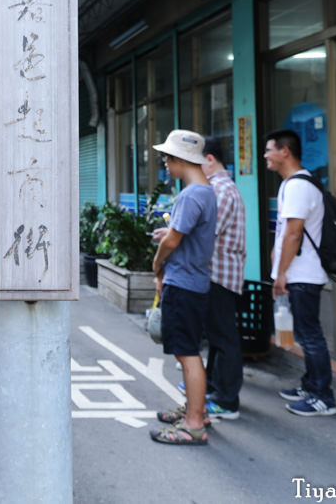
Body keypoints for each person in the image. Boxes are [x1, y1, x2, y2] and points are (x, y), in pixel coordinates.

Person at [149, 129, 217, 445]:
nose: (165, 163)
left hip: (183, 283)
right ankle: (196, 411)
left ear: (179, 159)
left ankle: (193, 424)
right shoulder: (206, 191)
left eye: (167, 158)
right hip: (195, 281)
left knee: (187, 354)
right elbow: (181, 234)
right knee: (187, 351)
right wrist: (170, 234)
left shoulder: (192, 194)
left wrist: (156, 263)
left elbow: (175, 240)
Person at [264, 129, 336, 416]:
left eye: (269, 150)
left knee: (310, 336)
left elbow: (293, 235)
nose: (266, 156)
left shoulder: (297, 186)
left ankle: (323, 397)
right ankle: (310, 385)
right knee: (306, 334)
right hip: (299, 272)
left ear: (285, 151)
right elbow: (287, 233)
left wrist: (281, 273)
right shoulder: (291, 184)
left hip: (303, 274)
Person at [200, 136, 247, 419]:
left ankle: (227, 401)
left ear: (210, 159)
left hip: (220, 275)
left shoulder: (222, 191)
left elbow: (208, 232)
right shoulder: (217, 188)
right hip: (217, 274)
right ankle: (213, 388)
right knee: (218, 337)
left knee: (225, 338)